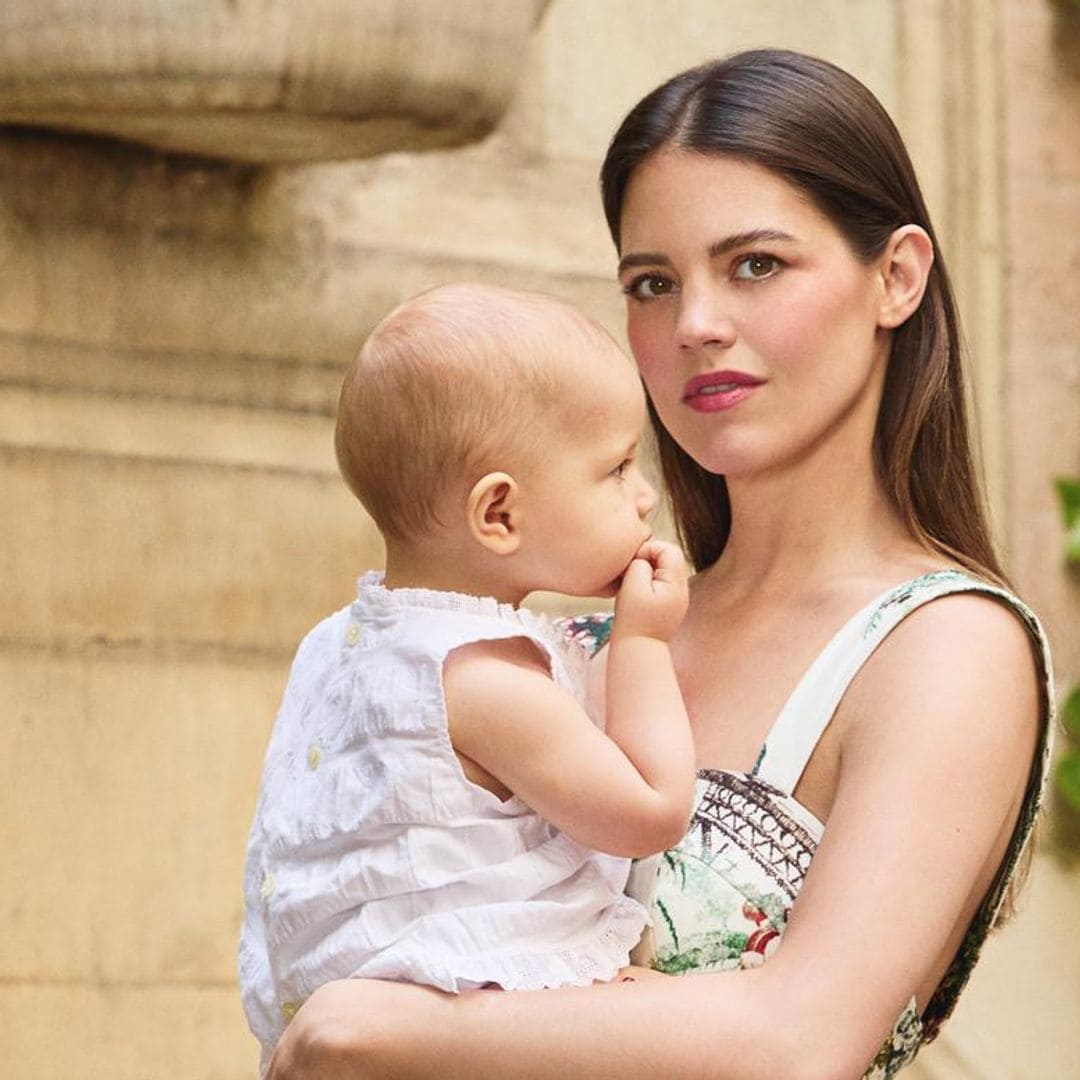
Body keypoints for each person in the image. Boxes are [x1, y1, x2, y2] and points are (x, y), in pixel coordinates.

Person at [263, 49, 1055, 1080]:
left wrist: (385, 1031)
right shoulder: (569, 634)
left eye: (757, 265)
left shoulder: (946, 646)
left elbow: (802, 1041)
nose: (695, 327)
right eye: (651, 282)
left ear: (895, 277)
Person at [238, 282, 697, 1075]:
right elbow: (651, 812)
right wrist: (645, 644)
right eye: (617, 468)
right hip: (470, 1026)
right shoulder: (484, 679)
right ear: (499, 516)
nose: (645, 493)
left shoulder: (339, 645)